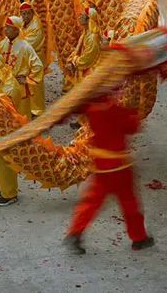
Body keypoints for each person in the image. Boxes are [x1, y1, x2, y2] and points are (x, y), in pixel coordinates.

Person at [64, 95, 155, 254]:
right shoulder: (115, 110)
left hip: (100, 165)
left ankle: (75, 232)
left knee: (91, 202)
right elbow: (133, 127)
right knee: (129, 202)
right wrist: (132, 111)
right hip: (119, 166)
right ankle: (139, 238)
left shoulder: (90, 108)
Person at [0, 16, 43, 206]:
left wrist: (27, 79)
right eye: (5, 27)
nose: (6, 30)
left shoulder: (25, 47)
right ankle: (6, 187)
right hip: (4, 92)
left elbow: (37, 66)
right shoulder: (3, 43)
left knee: (11, 142)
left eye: (9, 27)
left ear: (17, 29)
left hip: (20, 96)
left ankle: (10, 192)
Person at [0, 53, 28, 207]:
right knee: (1, 162)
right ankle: (5, 188)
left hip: (8, 128)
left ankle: (10, 194)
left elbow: (3, 112)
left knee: (7, 161)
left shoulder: (10, 87)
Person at [20, 1, 47, 116]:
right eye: (23, 14)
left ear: (32, 13)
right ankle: (30, 108)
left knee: (36, 84)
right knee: (27, 84)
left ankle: (38, 109)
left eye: (27, 13)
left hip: (35, 57)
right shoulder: (23, 23)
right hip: (26, 57)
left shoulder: (36, 26)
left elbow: (28, 43)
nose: (25, 16)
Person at [67, 8, 101, 83]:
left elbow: (88, 58)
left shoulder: (92, 38)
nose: (79, 16)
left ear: (89, 20)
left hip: (91, 69)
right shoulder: (86, 31)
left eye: (82, 15)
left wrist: (75, 60)